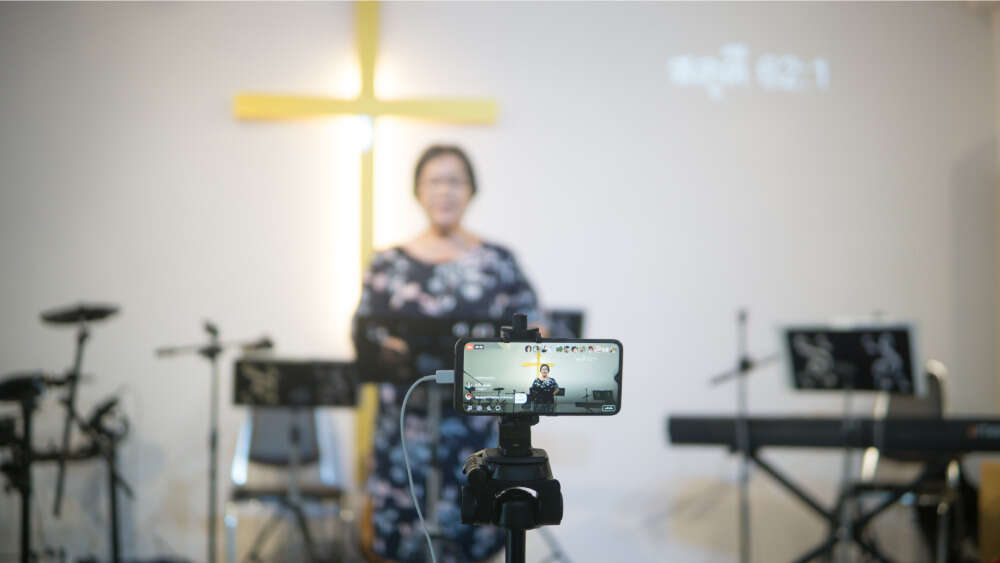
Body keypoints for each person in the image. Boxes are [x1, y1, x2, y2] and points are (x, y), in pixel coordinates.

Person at [353, 145, 544, 562]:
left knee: (472, 537)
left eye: (454, 180)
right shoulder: (387, 264)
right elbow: (366, 337)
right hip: (404, 435)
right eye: (434, 181)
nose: (445, 191)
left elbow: (538, 329)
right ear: (418, 192)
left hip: (472, 434)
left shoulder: (497, 262)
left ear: (472, 190)